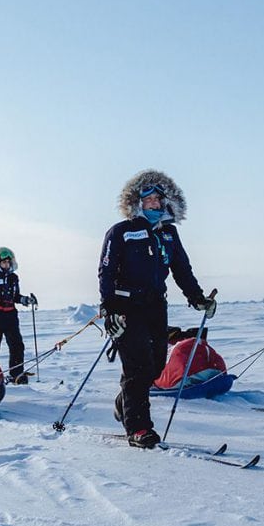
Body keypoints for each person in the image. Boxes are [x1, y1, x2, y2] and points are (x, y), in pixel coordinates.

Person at [98, 170, 216, 448]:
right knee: (137, 366)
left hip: (155, 306)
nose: (153, 204)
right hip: (126, 308)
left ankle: (127, 402)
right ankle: (139, 428)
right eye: (147, 200)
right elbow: (105, 272)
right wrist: (109, 309)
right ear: (136, 203)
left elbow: (182, 270)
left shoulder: (170, 234)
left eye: (157, 200)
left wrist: (198, 298)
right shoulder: (121, 232)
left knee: (155, 367)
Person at [0, 247, 37, 384]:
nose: (7, 265)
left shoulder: (13, 278)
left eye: (9, 262)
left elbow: (15, 296)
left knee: (17, 345)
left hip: (10, 316)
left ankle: (17, 375)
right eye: (4, 262)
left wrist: (25, 300)